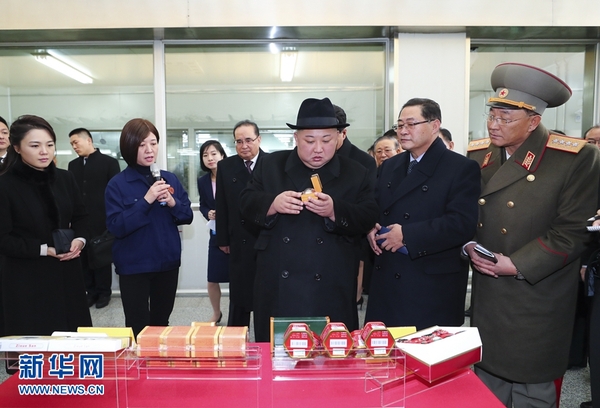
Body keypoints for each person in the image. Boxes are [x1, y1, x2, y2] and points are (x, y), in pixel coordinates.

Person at [463, 63, 600, 408]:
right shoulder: (478, 154)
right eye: (492, 115)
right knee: (486, 387)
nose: (494, 125)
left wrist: (518, 264)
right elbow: (463, 214)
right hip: (488, 294)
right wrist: (467, 245)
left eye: (505, 119)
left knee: (531, 389)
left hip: (536, 291)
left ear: (534, 120)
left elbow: (572, 231)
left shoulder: (574, 158)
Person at [240, 97, 379, 342]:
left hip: (331, 283)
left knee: (331, 355)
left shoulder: (357, 172)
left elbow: (369, 214)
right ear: (296, 138)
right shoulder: (271, 165)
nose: (318, 148)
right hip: (278, 284)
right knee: (278, 355)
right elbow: (246, 204)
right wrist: (272, 204)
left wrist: (335, 210)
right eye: (309, 140)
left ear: (338, 138)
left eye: (326, 140)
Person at [364, 98, 480, 330]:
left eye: (411, 124)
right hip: (388, 277)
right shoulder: (391, 165)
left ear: (435, 125)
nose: (403, 131)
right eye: (399, 125)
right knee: (384, 356)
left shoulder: (460, 167)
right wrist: (370, 226)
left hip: (429, 283)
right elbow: (375, 206)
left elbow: (462, 223)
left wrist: (407, 235)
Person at [0, 115, 92, 341]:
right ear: (17, 148)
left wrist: (79, 240)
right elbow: (3, 238)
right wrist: (44, 249)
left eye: (49, 145)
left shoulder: (65, 178)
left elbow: (81, 217)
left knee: (73, 345)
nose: (44, 151)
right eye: (35, 145)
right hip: (27, 278)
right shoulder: (5, 185)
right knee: (36, 347)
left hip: (67, 273)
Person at [105, 118, 193, 338]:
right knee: (138, 325)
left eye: (153, 143)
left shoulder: (169, 177)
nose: (149, 149)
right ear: (129, 146)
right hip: (134, 266)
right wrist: (147, 200)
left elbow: (187, 215)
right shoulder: (117, 184)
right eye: (142, 144)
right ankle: (138, 369)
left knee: (161, 322)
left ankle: (158, 367)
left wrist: (173, 202)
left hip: (167, 263)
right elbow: (116, 226)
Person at [215, 120, 266, 328]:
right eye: (238, 141)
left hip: (266, 238)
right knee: (240, 295)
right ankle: (235, 342)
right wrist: (223, 239)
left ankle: (266, 340)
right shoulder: (226, 166)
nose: (244, 145)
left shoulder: (272, 163)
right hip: (239, 238)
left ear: (259, 140)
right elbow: (222, 205)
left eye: (248, 140)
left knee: (265, 294)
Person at [68, 127, 121, 309]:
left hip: (102, 218)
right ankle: (90, 292)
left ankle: (104, 293)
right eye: (72, 144)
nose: (74, 146)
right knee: (82, 257)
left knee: (100, 257)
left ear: (88, 140)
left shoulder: (109, 163)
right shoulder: (72, 166)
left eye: (76, 142)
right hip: (80, 220)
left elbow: (115, 192)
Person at [333, 104, 377, 309]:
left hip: (351, 235)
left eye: (329, 136)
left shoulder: (363, 162)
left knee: (347, 299)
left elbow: (368, 203)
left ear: (343, 132)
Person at [197, 140, 228, 324]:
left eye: (214, 153)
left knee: (239, 278)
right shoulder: (203, 181)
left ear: (222, 155)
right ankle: (216, 313)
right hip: (215, 234)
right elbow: (203, 205)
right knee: (212, 279)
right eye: (205, 155)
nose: (210, 158)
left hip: (234, 234)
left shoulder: (232, 175)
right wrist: (207, 212)